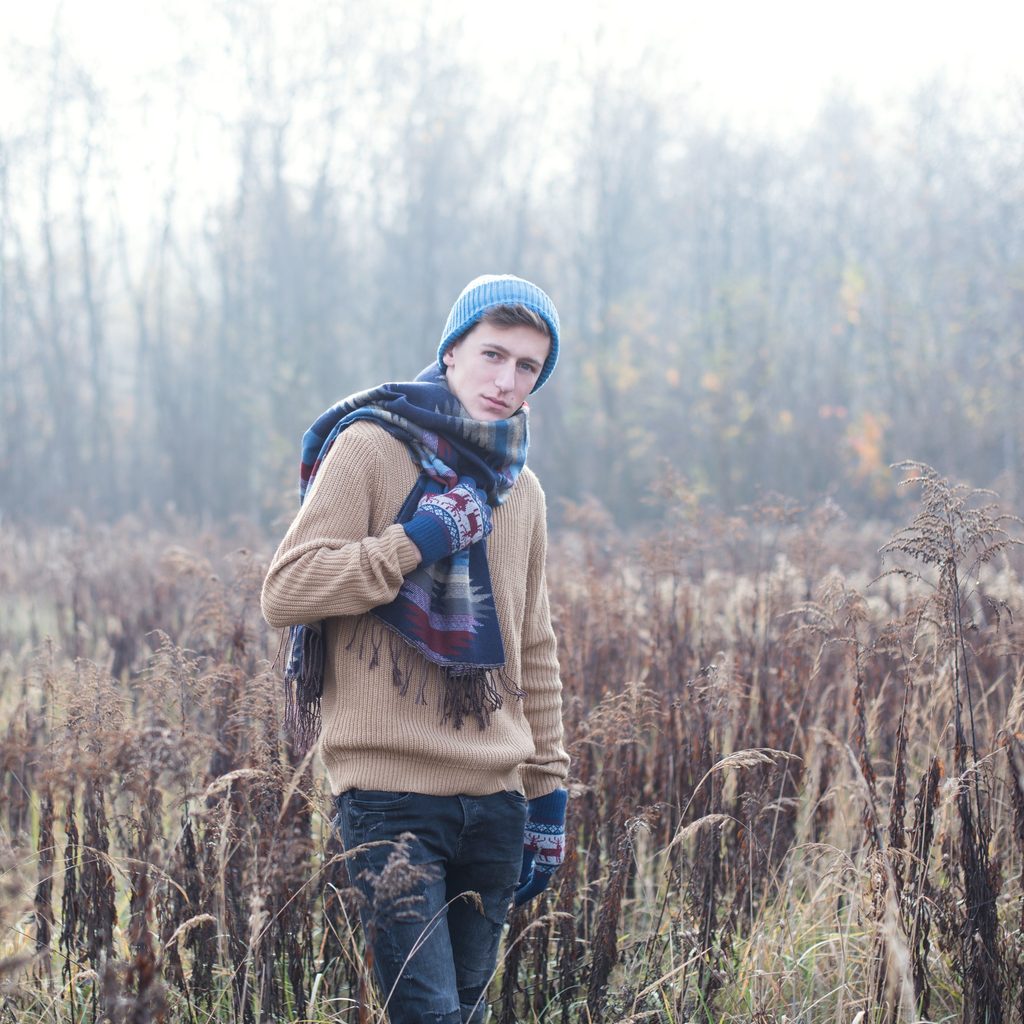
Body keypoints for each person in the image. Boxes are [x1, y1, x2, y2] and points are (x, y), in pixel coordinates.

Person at [261, 274, 570, 1023]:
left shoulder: (520, 489)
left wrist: (548, 797)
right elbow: (288, 590)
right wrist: (416, 541)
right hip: (389, 796)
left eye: (527, 366)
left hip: (496, 802)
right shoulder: (370, 448)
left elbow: (533, 648)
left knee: (466, 1012)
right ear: (452, 350)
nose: (506, 381)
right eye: (493, 354)